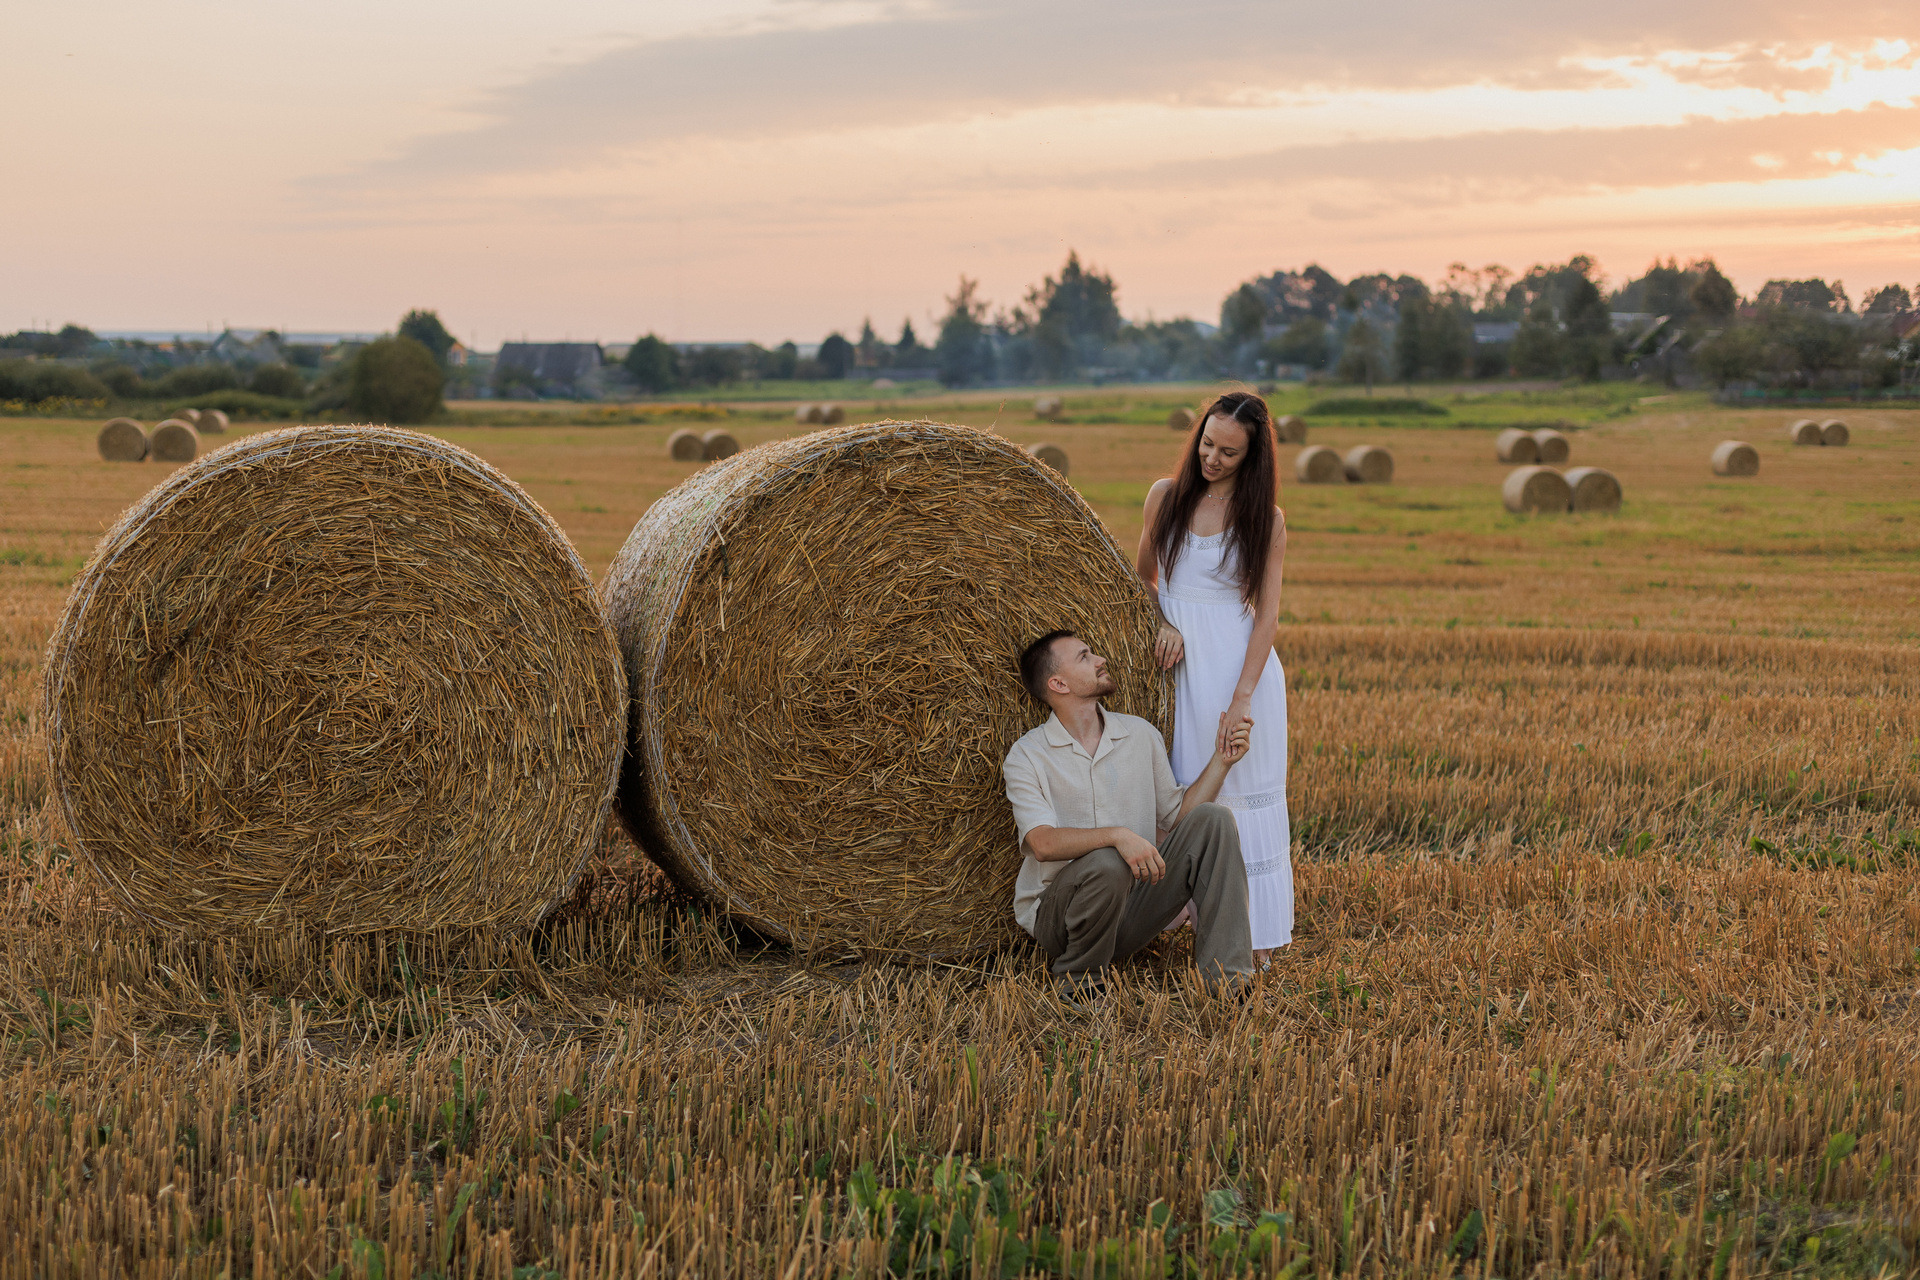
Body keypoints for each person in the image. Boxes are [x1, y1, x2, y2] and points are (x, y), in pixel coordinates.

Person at [1002, 629, 1255, 994]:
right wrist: (1117, 836)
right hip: (1064, 921)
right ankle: (1078, 981)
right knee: (1108, 859)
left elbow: (1178, 817)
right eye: (1085, 657)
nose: (1100, 659)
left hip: (1135, 909)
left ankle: (1228, 979)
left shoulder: (1140, 735)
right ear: (1058, 683)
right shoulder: (1027, 755)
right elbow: (1041, 843)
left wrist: (1223, 761)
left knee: (1214, 821)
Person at [1136, 389, 1293, 963]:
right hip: (1180, 673)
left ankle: (1248, 940)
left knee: (1242, 796)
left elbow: (1268, 616)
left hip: (1239, 673)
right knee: (1191, 793)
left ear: (1252, 459)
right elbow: (1143, 581)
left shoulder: (1265, 521)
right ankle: (1181, 917)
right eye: (1207, 443)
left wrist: (1243, 699)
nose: (1212, 458)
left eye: (1229, 452)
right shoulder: (1165, 498)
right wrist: (1162, 622)